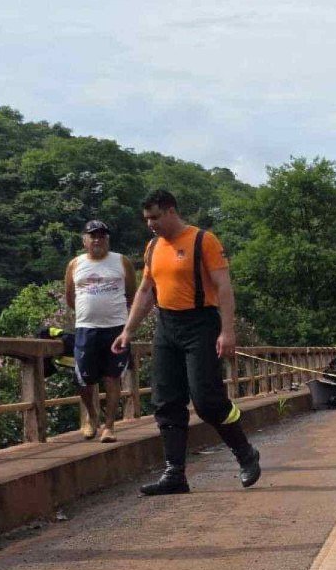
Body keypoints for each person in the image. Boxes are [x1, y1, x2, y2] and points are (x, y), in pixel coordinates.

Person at [111, 189, 260, 495]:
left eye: (154, 217)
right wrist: (128, 331)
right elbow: (145, 291)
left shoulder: (202, 240)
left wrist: (227, 331)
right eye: (146, 219)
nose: (150, 224)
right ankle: (174, 473)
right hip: (167, 325)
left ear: (170, 211)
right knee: (166, 401)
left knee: (207, 400)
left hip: (200, 323)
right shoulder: (152, 246)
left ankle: (245, 453)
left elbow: (224, 287)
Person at [64, 220, 136, 443]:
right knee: (84, 378)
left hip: (116, 328)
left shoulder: (121, 261)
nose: (98, 239)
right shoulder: (75, 264)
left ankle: (110, 426)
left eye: (102, 235)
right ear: (84, 240)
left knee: (112, 377)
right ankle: (92, 416)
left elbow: (132, 295)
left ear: (108, 239)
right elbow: (70, 297)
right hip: (86, 328)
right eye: (92, 235)